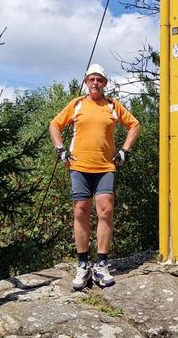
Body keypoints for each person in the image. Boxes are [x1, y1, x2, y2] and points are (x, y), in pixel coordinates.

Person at [49, 63, 140, 290]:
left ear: (105, 83)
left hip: (105, 167)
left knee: (105, 211)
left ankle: (101, 264)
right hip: (79, 166)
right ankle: (82, 265)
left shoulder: (112, 106)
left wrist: (124, 151)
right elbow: (54, 125)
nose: (95, 83)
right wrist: (61, 150)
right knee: (80, 211)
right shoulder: (77, 104)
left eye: (99, 79)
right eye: (92, 79)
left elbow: (134, 125)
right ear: (86, 81)